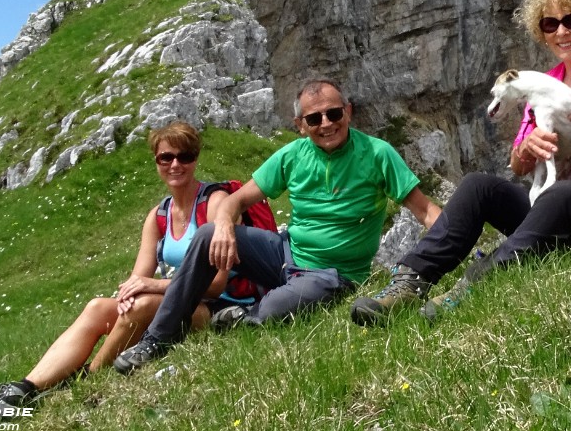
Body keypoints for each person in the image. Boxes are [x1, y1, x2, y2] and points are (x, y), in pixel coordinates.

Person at [350, 0, 571, 324]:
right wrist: (527, 149)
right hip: (551, 208)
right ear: (542, 33)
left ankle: (477, 282)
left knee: (564, 194)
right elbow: (517, 167)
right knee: (477, 186)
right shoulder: (539, 86)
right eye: (551, 24)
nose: (562, 31)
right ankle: (408, 284)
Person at [114, 78, 441, 373]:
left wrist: (454, 244)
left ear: (349, 112)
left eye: (334, 114)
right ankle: (155, 340)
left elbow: (424, 210)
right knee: (208, 233)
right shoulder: (293, 155)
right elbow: (235, 200)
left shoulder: (377, 154)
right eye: (314, 118)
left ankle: (240, 320)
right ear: (301, 125)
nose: (326, 124)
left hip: (333, 273)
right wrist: (225, 225)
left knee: (276, 308)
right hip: (285, 253)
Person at [0, 121, 242, 430]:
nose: (175, 164)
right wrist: (129, 294)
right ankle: (18, 394)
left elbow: (217, 283)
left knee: (140, 307)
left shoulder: (215, 202)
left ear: (196, 159)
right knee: (98, 307)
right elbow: (136, 279)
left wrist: (152, 286)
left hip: (212, 308)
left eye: (185, 156)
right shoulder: (159, 215)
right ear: (156, 161)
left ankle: (85, 383)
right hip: (169, 303)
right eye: (166, 157)